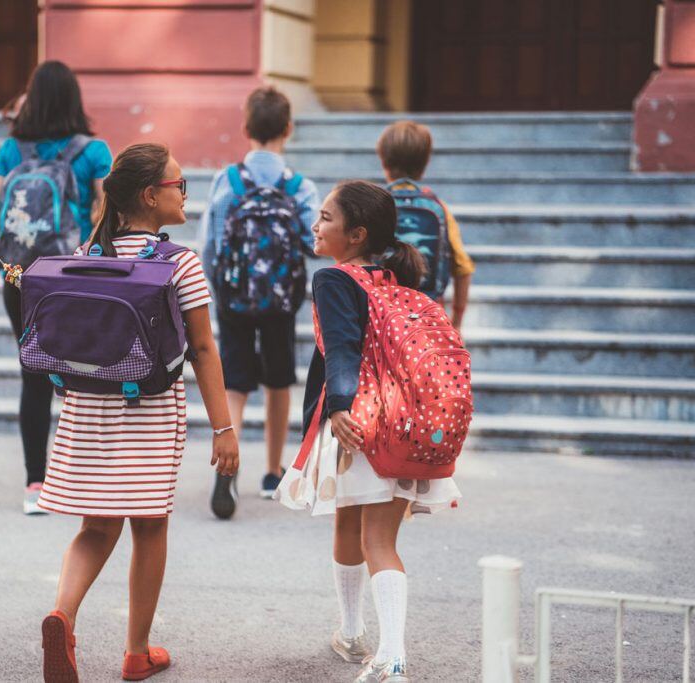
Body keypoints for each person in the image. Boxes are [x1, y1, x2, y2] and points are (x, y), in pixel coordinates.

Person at [36, 143, 240, 683]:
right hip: (149, 411)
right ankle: (135, 652)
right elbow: (202, 350)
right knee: (149, 527)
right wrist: (224, 427)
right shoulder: (180, 264)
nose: (185, 191)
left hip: (87, 407)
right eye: (179, 184)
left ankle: (63, 614)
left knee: (96, 526)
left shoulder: (87, 253)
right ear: (151, 196)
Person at [275, 181, 461, 683]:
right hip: (407, 420)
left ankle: (392, 655)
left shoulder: (335, 280)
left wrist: (337, 406)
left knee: (373, 539)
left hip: (359, 422)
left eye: (326, 219)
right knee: (358, 529)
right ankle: (352, 635)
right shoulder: (396, 278)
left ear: (355, 235)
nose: (316, 226)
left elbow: (341, 347)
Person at [0, 60, 114, 514]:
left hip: (19, 275)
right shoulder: (94, 151)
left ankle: (35, 485)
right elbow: (108, 213)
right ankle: (84, 479)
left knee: (33, 375)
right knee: (88, 373)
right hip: (73, 275)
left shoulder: (12, 149)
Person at [199, 86, 320, 516]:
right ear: (288, 129)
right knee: (278, 380)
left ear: (246, 128)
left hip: (234, 297)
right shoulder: (299, 187)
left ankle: (227, 466)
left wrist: (219, 289)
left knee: (235, 381)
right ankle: (272, 472)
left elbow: (209, 245)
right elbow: (314, 241)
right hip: (281, 301)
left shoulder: (226, 181)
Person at [376, 121, 474, 330]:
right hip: (428, 316)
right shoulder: (439, 208)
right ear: (426, 162)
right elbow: (463, 268)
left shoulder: (373, 205)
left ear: (383, 160)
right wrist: (456, 321)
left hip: (381, 317)